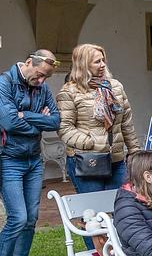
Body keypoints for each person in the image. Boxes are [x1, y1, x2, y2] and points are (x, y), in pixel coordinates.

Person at [0, 48, 60, 256]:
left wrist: (26, 115)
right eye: (39, 74)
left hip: (33, 160)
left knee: (30, 218)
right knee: (17, 217)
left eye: (46, 77)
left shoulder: (42, 88)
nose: (42, 81)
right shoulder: (1, 84)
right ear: (29, 62)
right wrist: (38, 122)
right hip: (8, 160)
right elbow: (8, 122)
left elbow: (56, 121)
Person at [58, 43, 140, 195]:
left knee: (121, 202)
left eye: (103, 60)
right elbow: (64, 127)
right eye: (97, 62)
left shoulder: (115, 87)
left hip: (116, 159)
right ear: (83, 64)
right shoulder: (69, 92)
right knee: (94, 206)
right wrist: (90, 143)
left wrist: (134, 150)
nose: (102, 65)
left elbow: (126, 122)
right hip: (87, 159)